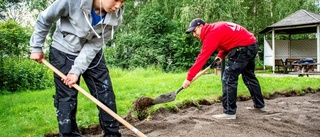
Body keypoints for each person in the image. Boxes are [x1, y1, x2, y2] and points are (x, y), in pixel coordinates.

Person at [30, 0, 125, 136]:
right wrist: (36, 46)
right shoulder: (72, 1)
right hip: (63, 50)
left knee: (105, 92)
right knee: (66, 98)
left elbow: (94, 45)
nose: (118, 5)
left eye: (122, 1)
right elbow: (45, 18)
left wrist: (77, 69)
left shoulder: (116, 16)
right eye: (116, 0)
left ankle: (112, 134)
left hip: (92, 52)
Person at [182, 18, 265, 119]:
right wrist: (220, 56)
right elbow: (229, 41)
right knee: (249, 76)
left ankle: (229, 113)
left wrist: (189, 78)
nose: (194, 34)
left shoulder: (211, 34)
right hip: (251, 45)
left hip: (243, 49)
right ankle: (259, 105)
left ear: (201, 26)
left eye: (194, 31)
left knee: (228, 78)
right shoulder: (215, 28)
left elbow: (202, 58)